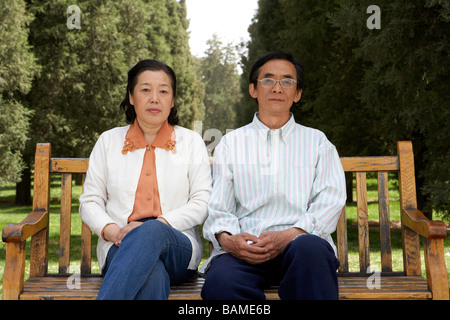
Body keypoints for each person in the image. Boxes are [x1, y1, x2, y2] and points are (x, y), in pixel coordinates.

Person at [200, 51, 346, 300]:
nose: (277, 88)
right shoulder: (231, 144)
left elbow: (330, 201)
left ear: (297, 93)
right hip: (247, 250)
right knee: (220, 284)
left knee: (310, 250)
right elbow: (220, 209)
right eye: (268, 80)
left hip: (300, 246)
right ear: (253, 89)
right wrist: (229, 241)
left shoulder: (317, 142)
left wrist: (290, 235)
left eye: (287, 81)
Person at [79, 59, 212, 300]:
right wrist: (110, 230)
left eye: (163, 91)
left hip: (177, 246)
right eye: (145, 90)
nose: (154, 98)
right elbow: (90, 201)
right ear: (131, 96)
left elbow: (202, 201)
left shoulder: (191, 142)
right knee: (153, 275)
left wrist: (160, 222)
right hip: (119, 245)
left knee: (152, 231)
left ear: (172, 101)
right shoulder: (109, 141)